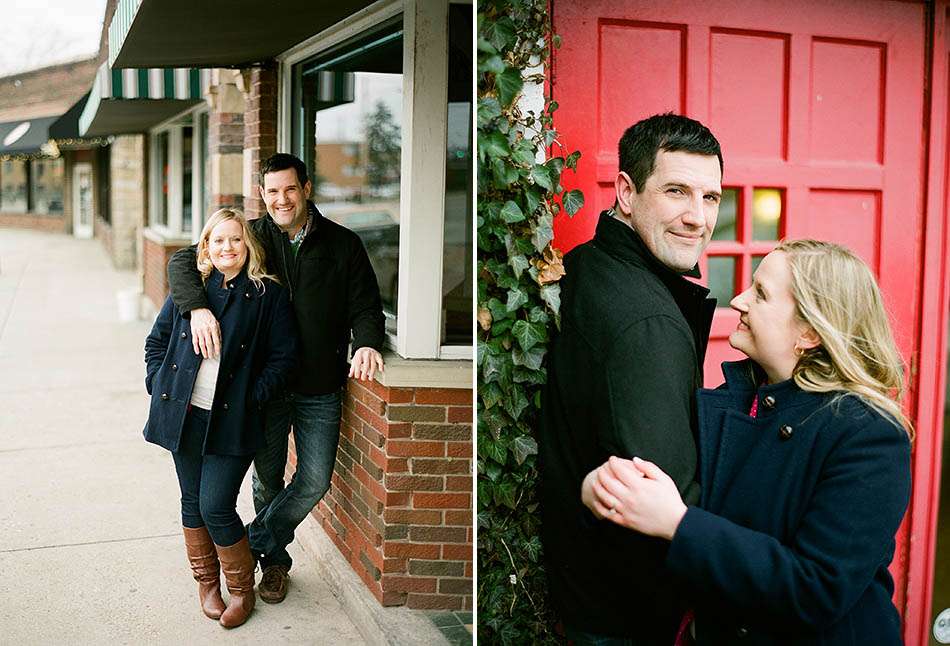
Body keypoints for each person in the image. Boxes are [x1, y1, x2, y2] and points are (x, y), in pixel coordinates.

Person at [583, 240, 912, 645]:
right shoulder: (735, 404)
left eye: (761, 294)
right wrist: (606, 486)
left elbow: (817, 590)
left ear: (809, 332)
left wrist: (678, 523)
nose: (738, 301)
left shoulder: (869, 436)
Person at [166, 153, 385, 604]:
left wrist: (366, 342)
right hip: (264, 388)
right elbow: (186, 261)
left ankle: (254, 540)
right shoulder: (254, 236)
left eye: (289, 189)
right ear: (262, 195)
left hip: (319, 387)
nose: (281, 199)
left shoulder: (342, 244)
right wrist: (198, 307)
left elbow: (365, 304)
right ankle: (275, 567)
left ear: (306, 189)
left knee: (313, 481)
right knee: (267, 480)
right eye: (271, 191)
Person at [538, 113, 723, 644]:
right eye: (676, 191)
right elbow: (664, 508)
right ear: (625, 190)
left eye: (710, 198)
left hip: (586, 596)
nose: (697, 217)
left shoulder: (589, 264)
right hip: (625, 619)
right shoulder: (648, 323)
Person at [144, 208, 297, 628]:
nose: (227, 247)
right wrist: (157, 383)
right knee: (191, 502)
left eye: (235, 239)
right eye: (218, 240)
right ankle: (207, 583)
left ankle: (242, 588)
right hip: (184, 414)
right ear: (206, 247)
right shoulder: (191, 290)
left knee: (216, 506)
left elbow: (283, 359)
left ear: (247, 245)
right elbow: (156, 341)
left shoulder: (268, 295)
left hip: (232, 419)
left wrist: (252, 399)